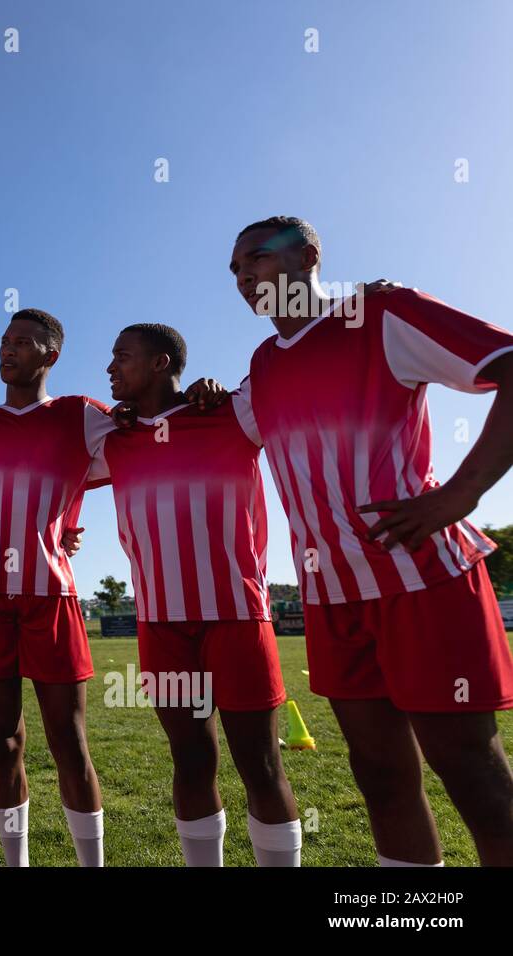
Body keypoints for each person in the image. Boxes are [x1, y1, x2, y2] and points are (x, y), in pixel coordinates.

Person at [230, 215, 513, 866]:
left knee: (473, 777)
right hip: (333, 599)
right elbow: (210, 425)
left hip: (424, 581)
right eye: (234, 269)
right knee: (381, 778)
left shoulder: (381, 313)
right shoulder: (263, 366)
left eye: (257, 258)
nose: (244, 275)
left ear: (308, 256)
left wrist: (461, 494)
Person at [84, 323, 301, 866]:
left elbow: (291, 372)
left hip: (235, 615)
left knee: (262, 764)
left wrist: (362, 300)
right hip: (161, 624)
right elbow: (41, 442)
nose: (111, 367)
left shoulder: (227, 412)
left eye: (122, 356)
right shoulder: (115, 436)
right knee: (189, 759)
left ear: (161, 362)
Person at [0, 308, 113, 867]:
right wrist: (1, 530)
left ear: (51, 355)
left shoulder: (80, 415)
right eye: (4, 340)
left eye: (24, 341)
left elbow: (144, 442)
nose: (8, 348)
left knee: (69, 742)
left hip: (51, 596)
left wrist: (57, 525)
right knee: (5, 741)